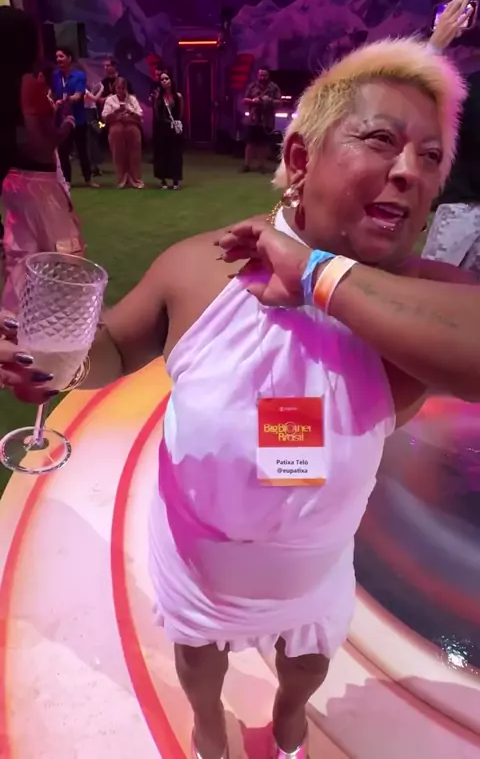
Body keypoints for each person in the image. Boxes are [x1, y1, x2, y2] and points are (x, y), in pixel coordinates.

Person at [4, 39, 480, 759]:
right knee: (198, 658)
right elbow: (117, 348)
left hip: (314, 568)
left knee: (307, 662)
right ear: (300, 160)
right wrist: (59, 363)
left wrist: (315, 275)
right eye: (382, 140)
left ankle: (289, 719)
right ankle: (208, 727)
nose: (410, 170)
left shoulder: (421, 304)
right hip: (196, 557)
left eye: (431, 156)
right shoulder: (203, 268)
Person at [0, 8, 84, 314]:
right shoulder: (28, 83)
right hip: (38, 183)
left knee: (22, 254)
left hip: (12, 179)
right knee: (65, 252)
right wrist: (66, 128)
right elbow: (41, 141)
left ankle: (15, 320)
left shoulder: (7, 82)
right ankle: (68, 319)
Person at [422, 0, 480, 275]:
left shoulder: (468, 87)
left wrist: (435, 45)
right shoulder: (469, 88)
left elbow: (412, 97)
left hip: (461, 212)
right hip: (461, 209)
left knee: (435, 290)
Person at [50, 46, 99, 189]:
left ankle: (88, 179)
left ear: (69, 58)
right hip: (61, 121)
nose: (59, 59)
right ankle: (67, 181)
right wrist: (53, 102)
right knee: (63, 151)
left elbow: (78, 95)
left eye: (61, 56)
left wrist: (67, 100)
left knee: (82, 150)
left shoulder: (79, 76)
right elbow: (52, 94)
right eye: (57, 57)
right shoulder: (55, 76)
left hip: (78, 120)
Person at [102, 77, 144, 188]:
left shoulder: (132, 99)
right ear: (115, 88)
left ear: (126, 88)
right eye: (118, 88)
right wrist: (116, 112)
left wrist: (130, 112)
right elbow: (104, 118)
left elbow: (140, 115)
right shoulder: (110, 100)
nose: (120, 91)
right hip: (116, 128)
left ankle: (135, 179)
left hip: (131, 127)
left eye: (123, 88)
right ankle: (121, 179)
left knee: (134, 154)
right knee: (118, 153)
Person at [243, 67, 282, 173]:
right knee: (250, 143)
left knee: (263, 144)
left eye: (264, 75)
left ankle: (262, 165)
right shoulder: (252, 86)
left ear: (268, 75)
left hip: (266, 120)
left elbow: (279, 102)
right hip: (253, 119)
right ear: (258, 75)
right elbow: (245, 100)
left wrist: (269, 101)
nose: (262, 77)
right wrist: (253, 100)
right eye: (260, 75)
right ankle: (247, 165)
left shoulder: (274, 88)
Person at [152, 70, 184, 190]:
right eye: (162, 79)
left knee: (175, 154)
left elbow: (181, 112)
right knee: (162, 154)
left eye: (166, 78)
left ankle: (176, 180)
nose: (164, 81)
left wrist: (176, 123)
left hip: (173, 129)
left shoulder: (178, 96)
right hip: (162, 129)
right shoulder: (158, 97)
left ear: (171, 80)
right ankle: (163, 180)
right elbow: (157, 113)